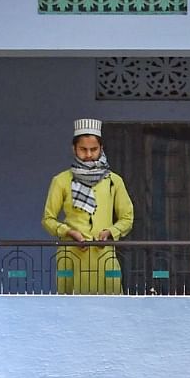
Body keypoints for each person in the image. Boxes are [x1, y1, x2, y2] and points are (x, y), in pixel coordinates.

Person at [41, 119, 134, 294]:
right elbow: (48, 219)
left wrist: (110, 232)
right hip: (71, 255)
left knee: (110, 308)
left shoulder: (113, 181)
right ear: (74, 149)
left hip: (104, 255)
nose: (89, 154)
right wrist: (68, 232)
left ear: (101, 149)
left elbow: (127, 218)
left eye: (94, 149)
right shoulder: (61, 181)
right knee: (71, 310)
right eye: (83, 149)